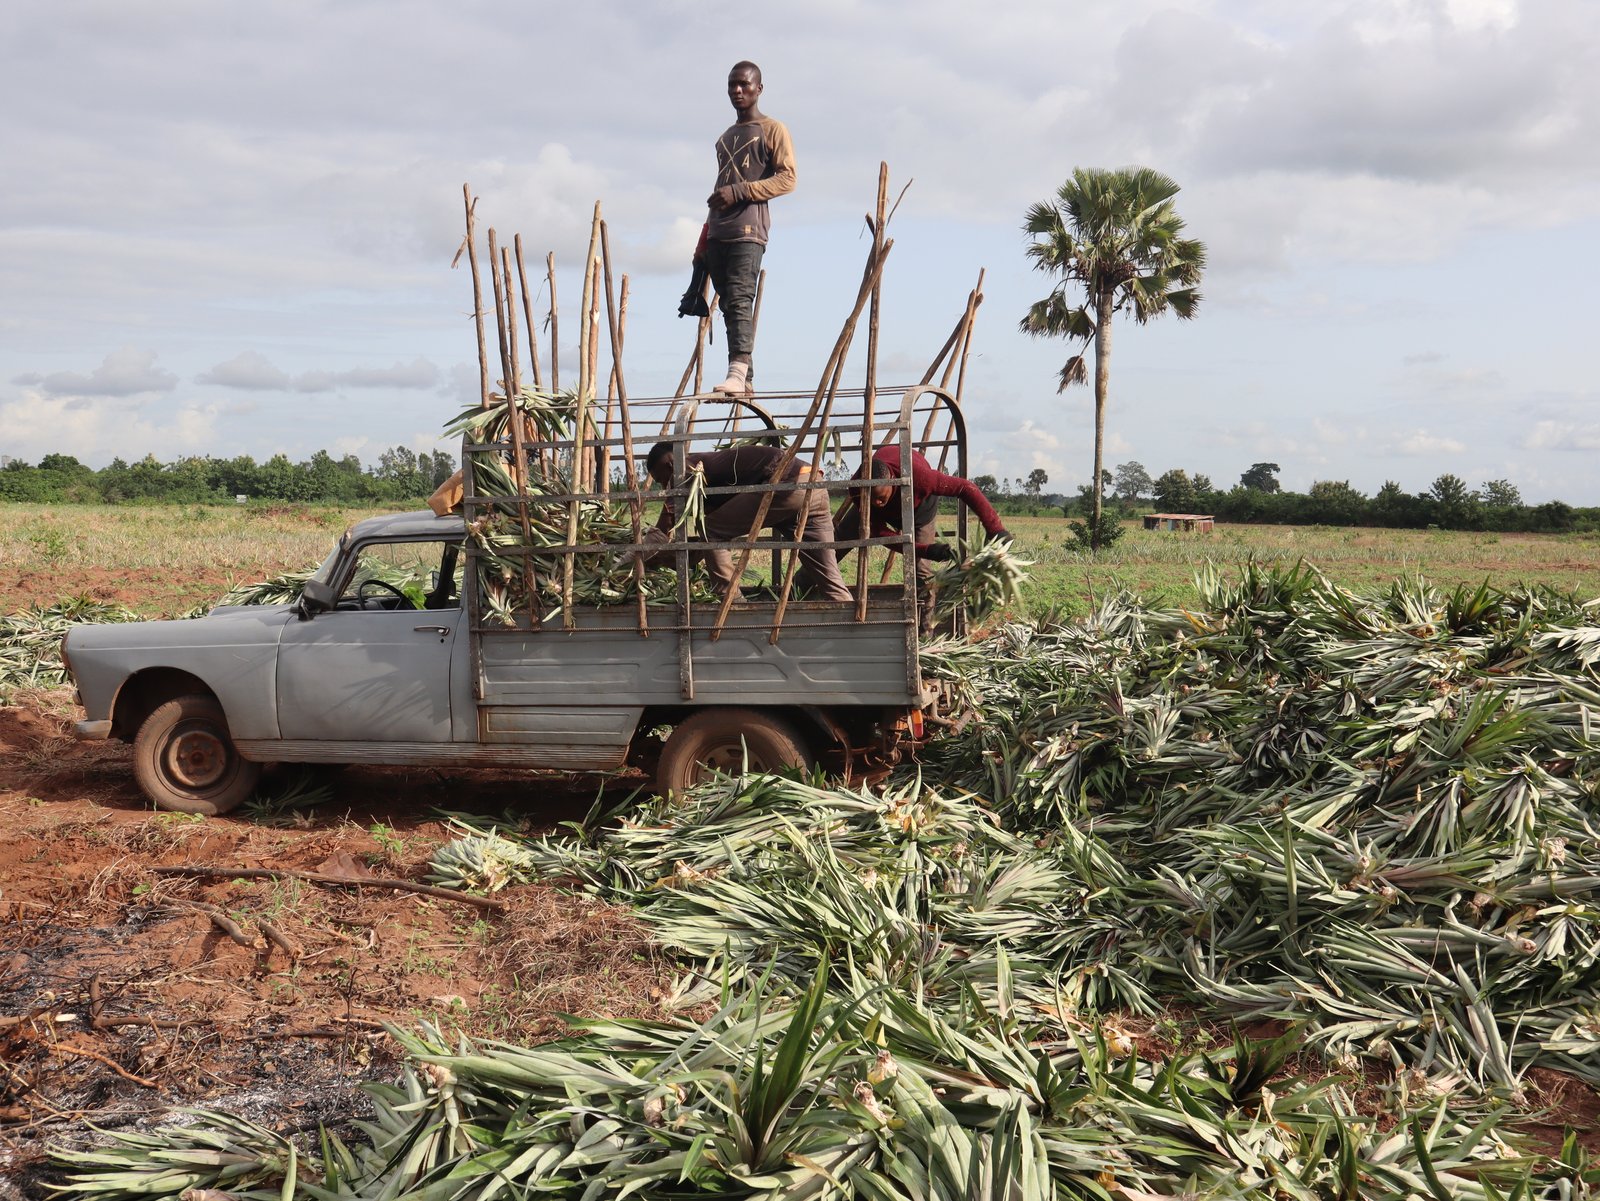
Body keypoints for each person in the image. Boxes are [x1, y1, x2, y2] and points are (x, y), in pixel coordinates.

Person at [643, 441, 851, 603]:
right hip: (813, 482)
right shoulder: (706, 470)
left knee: (711, 529)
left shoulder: (685, 470)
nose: (665, 485)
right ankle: (849, 618)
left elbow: (664, 528)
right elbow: (721, 532)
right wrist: (682, 558)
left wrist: (635, 557)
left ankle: (732, 602)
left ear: (669, 464)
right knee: (827, 574)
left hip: (786, 484)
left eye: (661, 479)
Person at [701, 60, 796, 397]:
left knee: (741, 297)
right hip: (718, 229)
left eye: (744, 84)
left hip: (748, 229)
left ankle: (737, 374)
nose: (738, 90)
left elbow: (788, 178)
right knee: (728, 303)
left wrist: (740, 191)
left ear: (759, 88)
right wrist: (701, 243)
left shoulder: (773, 129)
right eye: (732, 85)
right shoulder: (724, 138)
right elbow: (720, 187)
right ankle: (745, 378)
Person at [832, 445, 1011, 619]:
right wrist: (926, 550)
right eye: (872, 498)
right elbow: (880, 533)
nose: (876, 502)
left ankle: (925, 628)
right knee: (834, 547)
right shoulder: (858, 489)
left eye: (880, 497)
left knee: (922, 573)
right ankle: (814, 590)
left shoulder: (920, 478)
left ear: (892, 481)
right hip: (875, 508)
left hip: (921, 508)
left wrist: (995, 528)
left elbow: (964, 487)